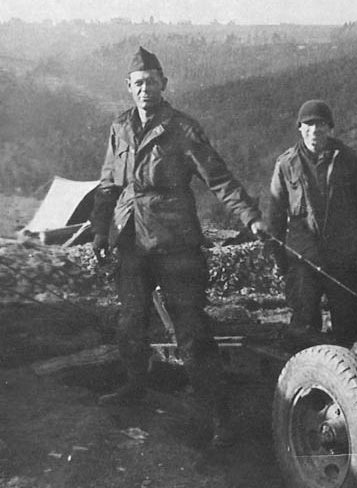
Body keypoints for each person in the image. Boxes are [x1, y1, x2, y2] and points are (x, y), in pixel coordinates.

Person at [90, 47, 268, 448]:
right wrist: (101, 231)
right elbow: (107, 185)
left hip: (175, 243)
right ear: (128, 88)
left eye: (152, 82)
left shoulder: (183, 129)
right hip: (130, 238)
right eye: (138, 84)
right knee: (131, 322)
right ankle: (135, 385)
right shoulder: (119, 128)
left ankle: (218, 414)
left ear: (164, 84)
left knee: (191, 331)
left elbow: (218, 179)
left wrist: (250, 216)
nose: (145, 90)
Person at [268, 100, 357, 346]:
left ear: (330, 128)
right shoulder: (285, 164)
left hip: (342, 258)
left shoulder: (346, 159)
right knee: (304, 326)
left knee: (349, 326)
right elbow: (275, 217)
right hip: (304, 260)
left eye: (321, 124)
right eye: (308, 124)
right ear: (299, 128)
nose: (315, 130)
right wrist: (278, 259)